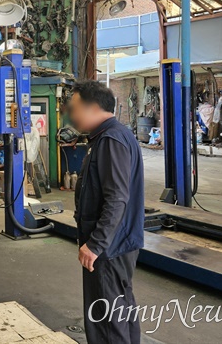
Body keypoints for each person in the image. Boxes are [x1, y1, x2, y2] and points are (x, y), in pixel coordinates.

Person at [69, 80, 144, 344]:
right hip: (115, 244)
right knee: (119, 310)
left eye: (75, 108)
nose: (72, 115)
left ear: (92, 108)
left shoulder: (111, 140)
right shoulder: (108, 137)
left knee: (106, 318)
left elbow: (117, 199)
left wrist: (95, 244)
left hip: (109, 248)